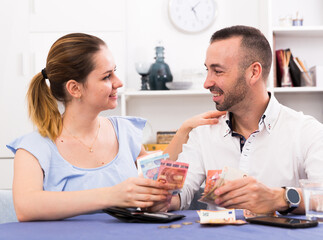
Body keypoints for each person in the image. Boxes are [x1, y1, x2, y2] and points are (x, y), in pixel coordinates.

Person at [7, 32, 224, 222]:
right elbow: (26, 207)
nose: (118, 82)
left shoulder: (125, 132)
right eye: (107, 76)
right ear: (75, 88)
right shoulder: (34, 147)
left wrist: (184, 131)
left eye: (115, 72)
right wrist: (113, 195)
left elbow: (155, 177)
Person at [166, 25, 323, 215]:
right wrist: (163, 201)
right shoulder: (203, 133)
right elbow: (181, 193)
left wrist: (278, 198)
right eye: (207, 70)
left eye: (218, 71)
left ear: (254, 72)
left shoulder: (307, 132)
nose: (207, 82)